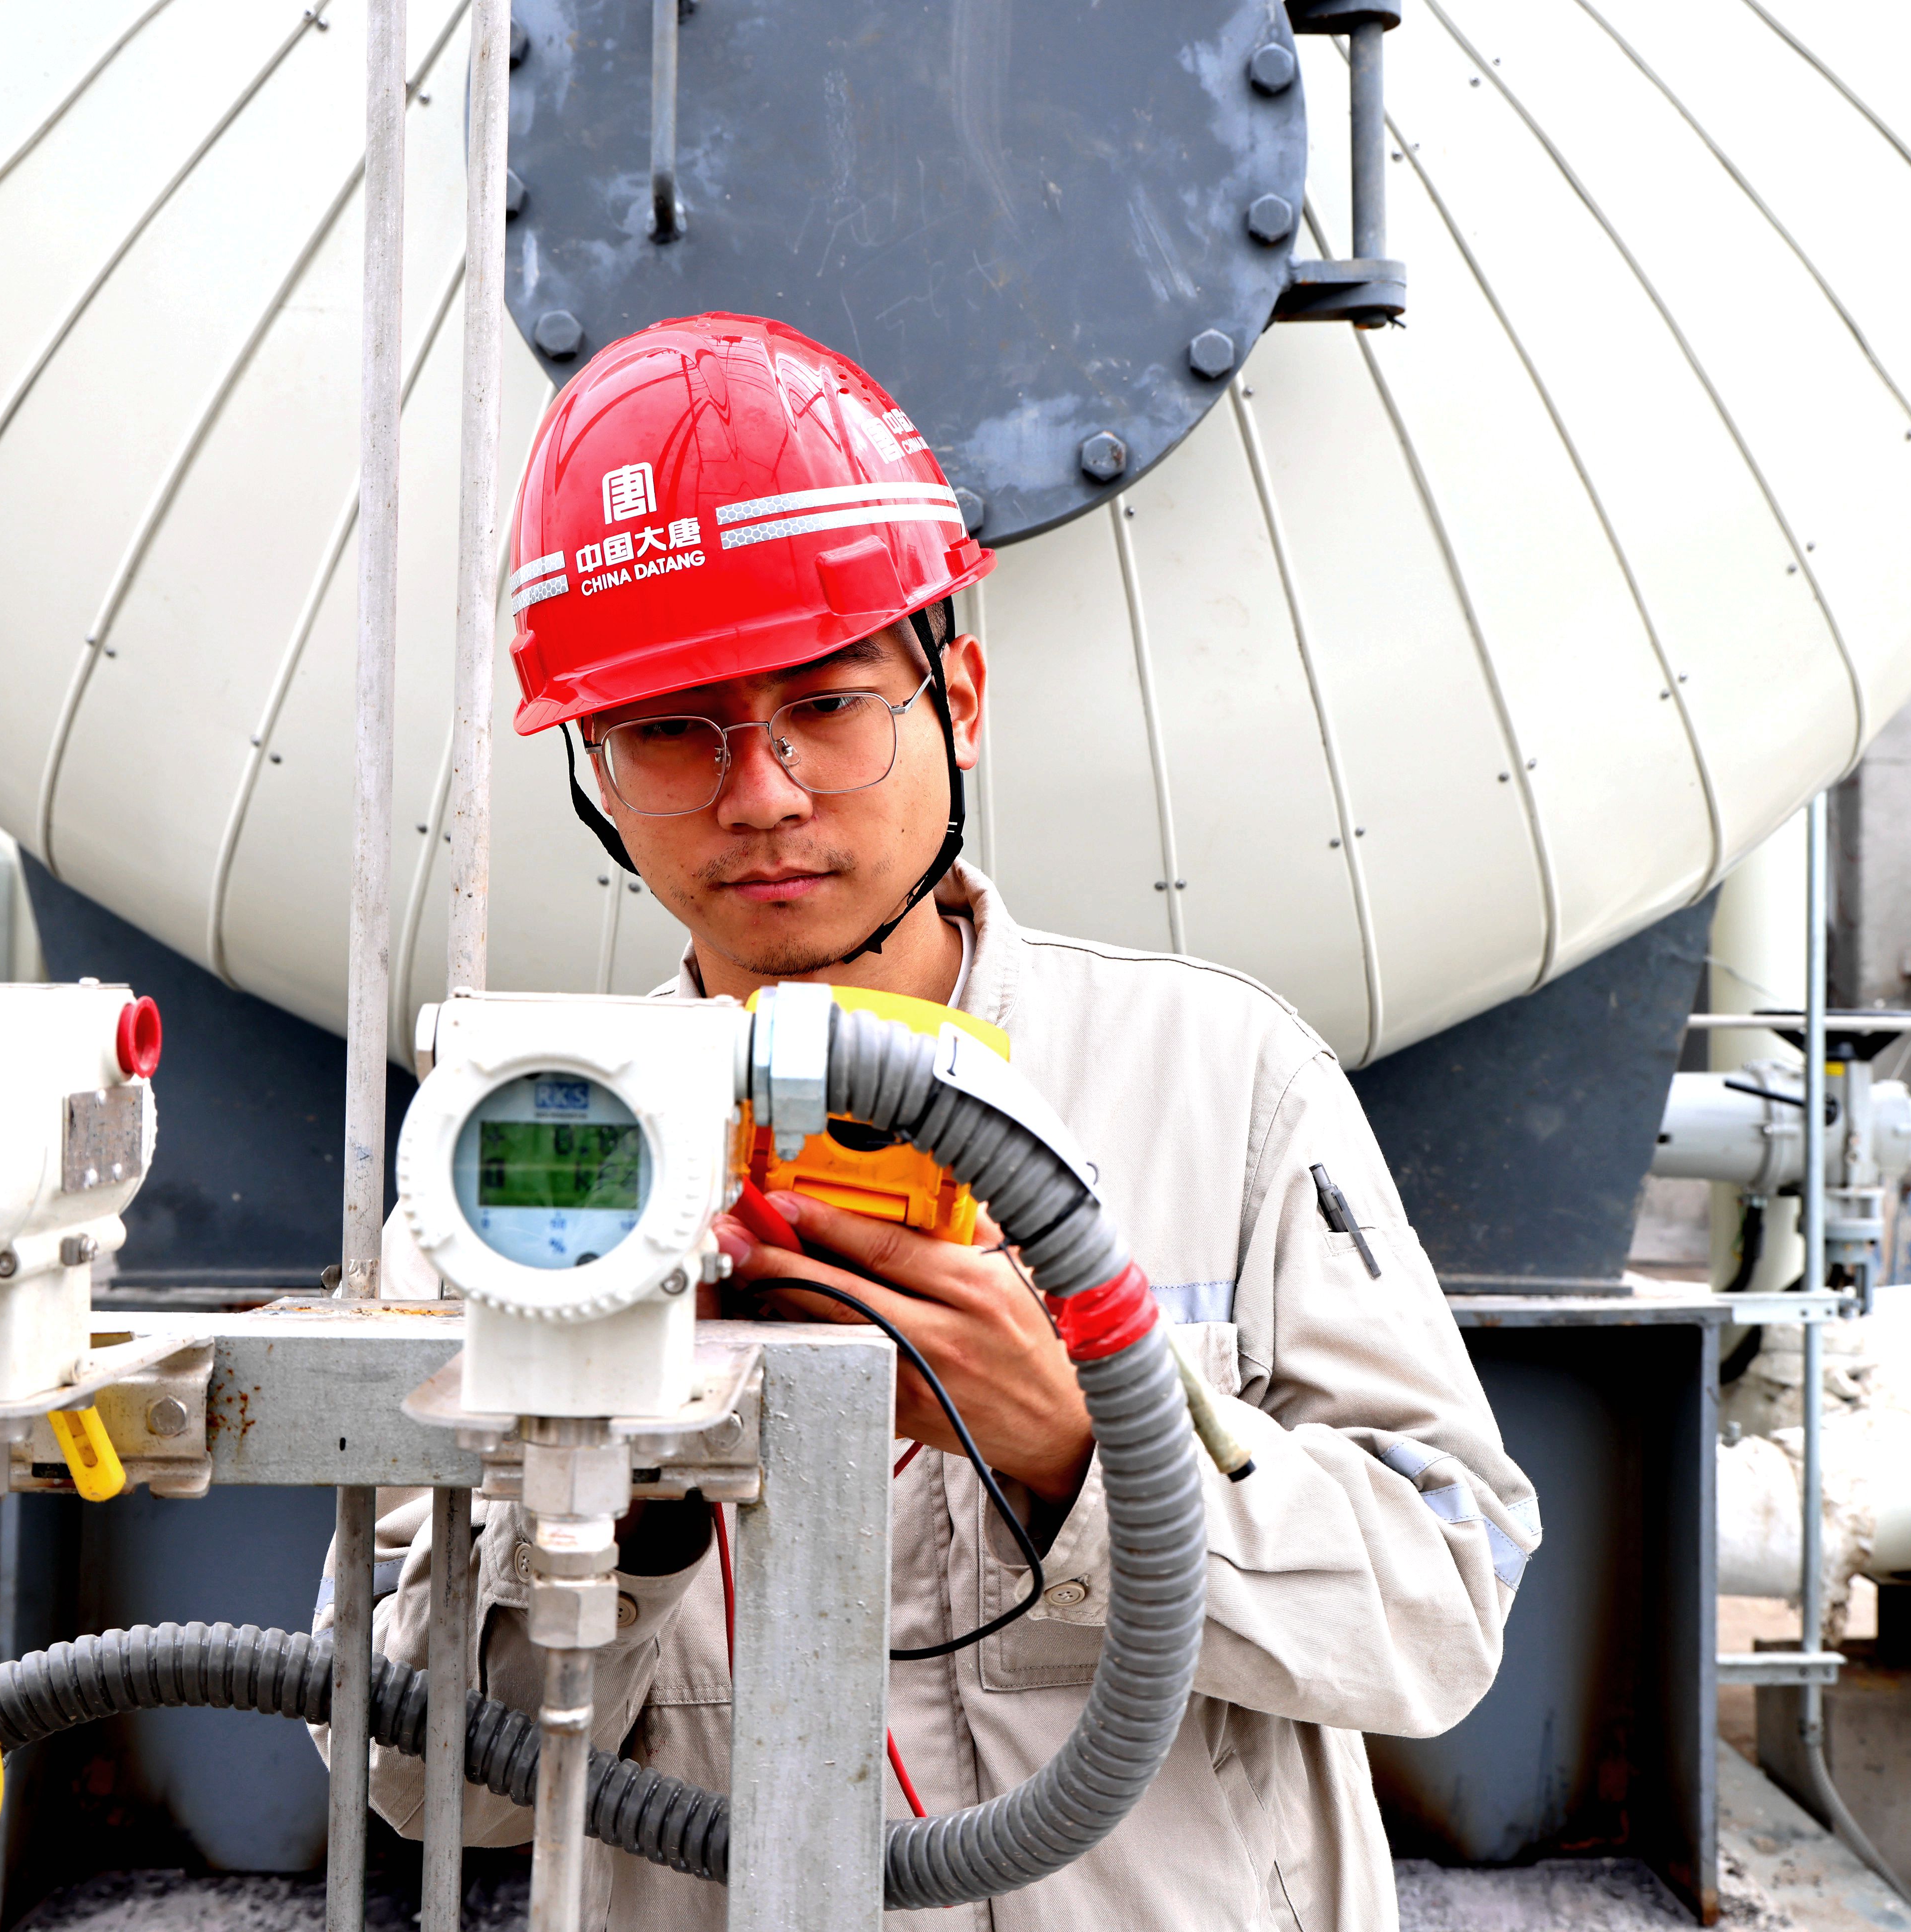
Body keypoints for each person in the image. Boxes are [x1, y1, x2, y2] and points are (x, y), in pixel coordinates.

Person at [339, 313, 1537, 1930]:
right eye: (671, 731)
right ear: (599, 779)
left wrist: (1079, 1447)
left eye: (829, 704)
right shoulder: (524, 1162)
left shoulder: (1221, 1081)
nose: (763, 793)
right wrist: (631, 1499)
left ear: (957, 698)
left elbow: (1446, 1610)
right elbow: (421, 1783)